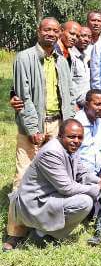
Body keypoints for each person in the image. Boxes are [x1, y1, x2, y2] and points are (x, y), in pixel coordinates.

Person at [5, 17, 76, 251]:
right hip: (34, 126)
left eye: (55, 31)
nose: (51, 34)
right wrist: (33, 127)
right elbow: (22, 97)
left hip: (57, 125)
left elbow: (69, 94)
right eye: (47, 30)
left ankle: (43, 228)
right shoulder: (25, 58)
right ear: (38, 31)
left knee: (52, 178)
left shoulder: (61, 60)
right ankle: (14, 232)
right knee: (23, 176)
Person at [9, 120, 101, 247]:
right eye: (71, 136)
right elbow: (67, 188)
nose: (76, 141)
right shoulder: (51, 152)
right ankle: (43, 236)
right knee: (85, 202)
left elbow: (82, 173)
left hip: (50, 197)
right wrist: (99, 187)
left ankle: (42, 232)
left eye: (80, 137)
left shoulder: (71, 149)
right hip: (33, 204)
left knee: (88, 195)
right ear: (60, 136)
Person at [74, 89, 101, 177]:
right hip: (81, 176)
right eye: (97, 104)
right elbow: (74, 156)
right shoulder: (76, 125)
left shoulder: (99, 122)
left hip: (98, 174)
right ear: (86, 105)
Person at [71, 26, 93, 106]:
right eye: (83, 36)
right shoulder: (70, 57)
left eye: (89, 37)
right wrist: (73, 105)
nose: (86, 39)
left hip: (86, 107)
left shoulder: (86, 57)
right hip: (75, 106)